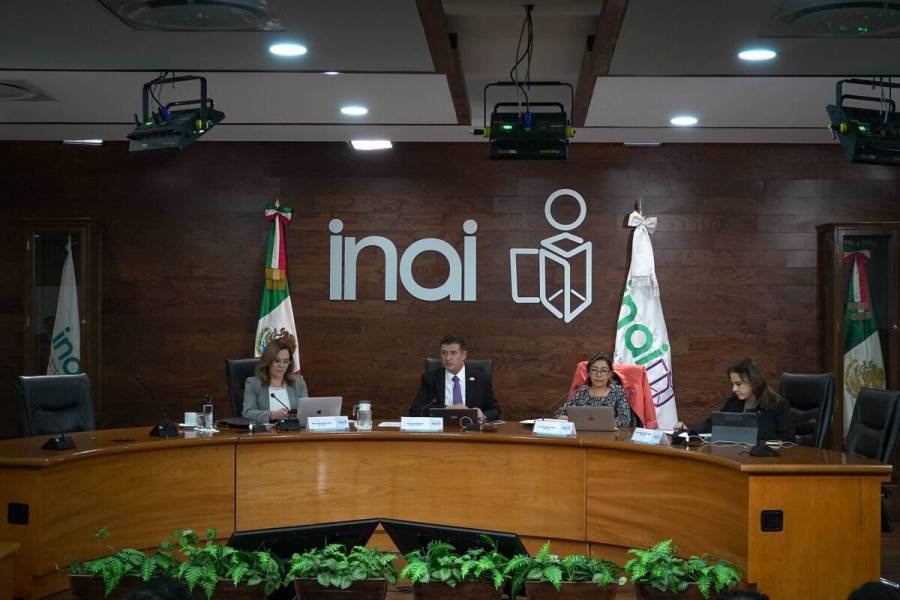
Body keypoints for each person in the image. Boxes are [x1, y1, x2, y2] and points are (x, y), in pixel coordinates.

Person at [675, 358, 795, 442]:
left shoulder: (778, 405)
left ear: (754, 381)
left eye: (738, 384)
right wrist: (689, 430)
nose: (734, 389)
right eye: (733, 384)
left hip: (766, 461)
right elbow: (712, 424)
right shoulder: (734, 402)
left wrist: (755, 437)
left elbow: (788, 440)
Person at [409, 335, 500, 422]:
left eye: (453, 353)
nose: (448, 358)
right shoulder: (431, 378)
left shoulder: (480, 378)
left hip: (471, 428)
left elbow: (495, 410)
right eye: (444, 353)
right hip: (442, 429)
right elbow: (416, 410)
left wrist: (483, 415)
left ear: (464, 355)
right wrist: (447, 408)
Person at [242, 334, 309, 424]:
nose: (281, 366)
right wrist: (272, 415)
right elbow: (247, 413)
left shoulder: (298, 382)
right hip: (266, 432)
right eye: (277, 361)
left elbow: (307, 411)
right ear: (268, 361)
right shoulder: (253, 384)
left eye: (285, 361)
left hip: (294, 431)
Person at [555, 352, 633, 428]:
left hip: (608, 435)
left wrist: (598, 423)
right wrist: (572, 419)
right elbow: (560, 413)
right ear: (589, 373)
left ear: (609, 374)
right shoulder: (582, 392)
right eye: (594, 370)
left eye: (603, 370)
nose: (598, 375)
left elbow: (625, 420)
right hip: (583, 435)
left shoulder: (617, 392)